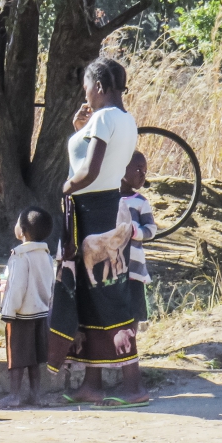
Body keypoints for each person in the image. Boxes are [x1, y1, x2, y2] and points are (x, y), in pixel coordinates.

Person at [49, 56, 149, 409]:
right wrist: (80, 130)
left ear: (101, 87)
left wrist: (64, 187)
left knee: (108, 293)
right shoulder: (123, 119)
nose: (86, 95)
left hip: (94, 209)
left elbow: (89, 171)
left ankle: (133, 383)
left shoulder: (105, 118)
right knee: (92, 296)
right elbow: (100, 163)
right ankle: (92, 382)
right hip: (103, 207)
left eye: (88, 88)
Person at [0, 207, 55, 408]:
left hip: (20, 315)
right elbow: (50, 284)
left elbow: (17, 287)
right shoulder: (45, 255)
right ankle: (36, 394)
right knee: (35, 358)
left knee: (17, 357)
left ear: (23, 230)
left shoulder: (20, 256)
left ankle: (14, 394)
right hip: (41, 313)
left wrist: (8, 311)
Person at [120, 152, 157, 322]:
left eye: (145, 171)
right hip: (111, 267)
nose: (142, 175)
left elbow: (151, 229)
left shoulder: (141, 202)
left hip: (134, 267)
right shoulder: (107, 199)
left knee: (135, 310)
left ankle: (132, 344)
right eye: (138, 169)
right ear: (120, 168)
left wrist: (136, 232)